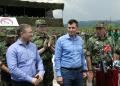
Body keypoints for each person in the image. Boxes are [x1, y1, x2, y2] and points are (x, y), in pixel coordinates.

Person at [54, 19, 87, 86]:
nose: (71, 30)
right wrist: (58, 75)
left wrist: (84, 70)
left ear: (77, 28)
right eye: (69, 28)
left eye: (73, 28)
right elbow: (57, 58)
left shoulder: (80, 40)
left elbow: (82, 56)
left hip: (79, 72)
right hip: (66, 72)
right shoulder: (61, 40)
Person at [33, 19, 54, 86]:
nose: (43, 28)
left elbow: (55, 52)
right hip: (38, 66)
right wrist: (44, 48)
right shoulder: (32, 39)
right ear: (36, 27)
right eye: (40, 26)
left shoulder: (49, 37)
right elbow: (32, 54)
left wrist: (50, 47)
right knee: (39, 83)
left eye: (44, 26)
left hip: (49, 64)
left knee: (49, 83)